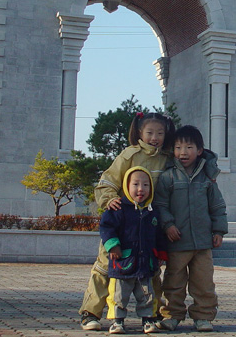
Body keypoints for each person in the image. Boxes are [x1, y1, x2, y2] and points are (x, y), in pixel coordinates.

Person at [80, 112, 175, 331]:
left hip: (148, 224)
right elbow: (107, 181)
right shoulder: (129, 155)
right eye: (150, 132)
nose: (155, 137)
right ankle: (90, 313)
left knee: (151, 272)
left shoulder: (167, 158)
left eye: (160, 133)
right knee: (105, 268)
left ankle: (154, 314)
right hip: (123, 223)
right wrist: (109, 199)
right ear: (140, 133)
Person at [154, 125, 228, 332]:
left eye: (188, 147)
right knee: (173, 282)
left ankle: (203, 317)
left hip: (203, 243)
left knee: (204, 283)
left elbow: (217, 206)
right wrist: (168, 225)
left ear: (199, 150)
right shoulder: (168, 176)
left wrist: (219, 231)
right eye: (178, 147)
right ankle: (171, 315)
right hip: (177, 242)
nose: (183, 152)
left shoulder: (207, 178)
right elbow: (160, 205)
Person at [99, 167, 167, 334]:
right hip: (123, 262)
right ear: (126, 186)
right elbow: (106, 227)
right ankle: (116, 321)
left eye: (145, 185)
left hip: (146, 264)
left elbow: (159, 236)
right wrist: (113, 246)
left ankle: (148, 320)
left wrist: (161, 254)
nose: (140, 189)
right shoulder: (118, 208)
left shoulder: (152, 212)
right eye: (135, 184)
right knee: (118, 295)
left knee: (147, 295)